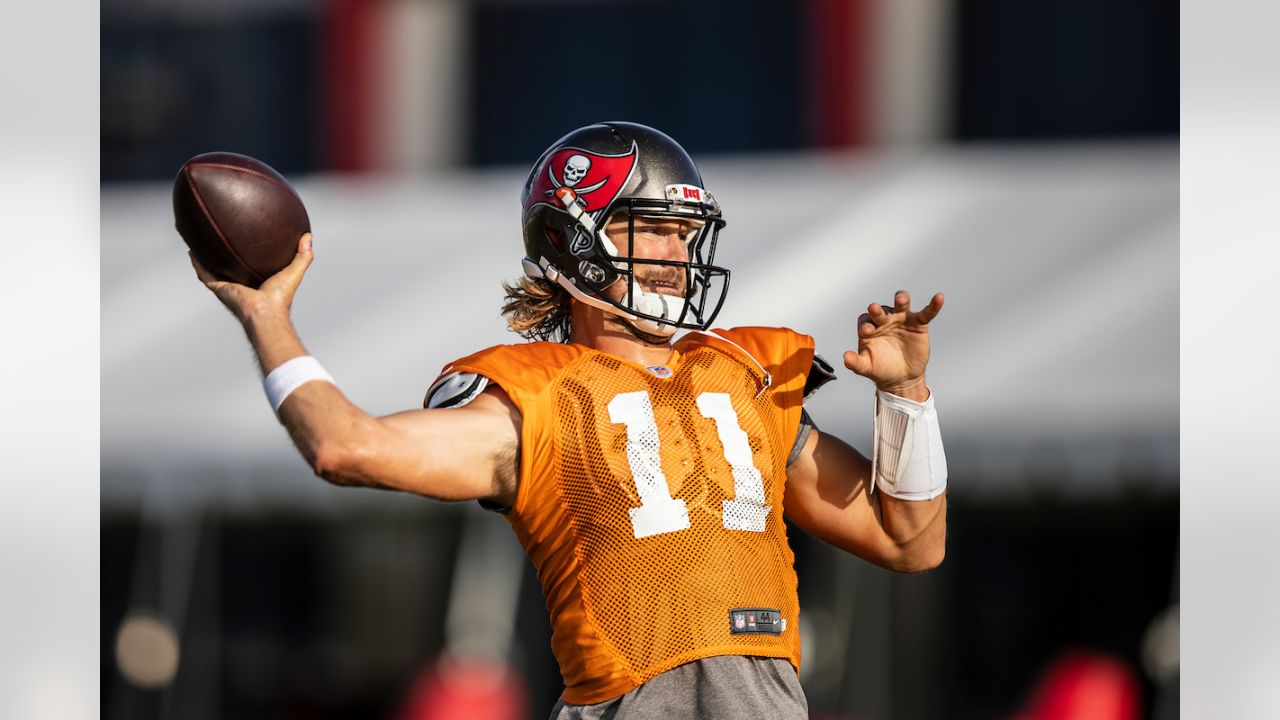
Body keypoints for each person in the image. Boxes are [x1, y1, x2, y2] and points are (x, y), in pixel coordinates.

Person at [193, 121, 948, 719]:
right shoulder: (534, 394)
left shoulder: (747, 371)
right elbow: (342, 446)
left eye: (685, 234)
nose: (675, 254)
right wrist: (267, 317)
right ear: (571, 238)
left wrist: (906, 393)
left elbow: (909, 540)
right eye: (651, 229)